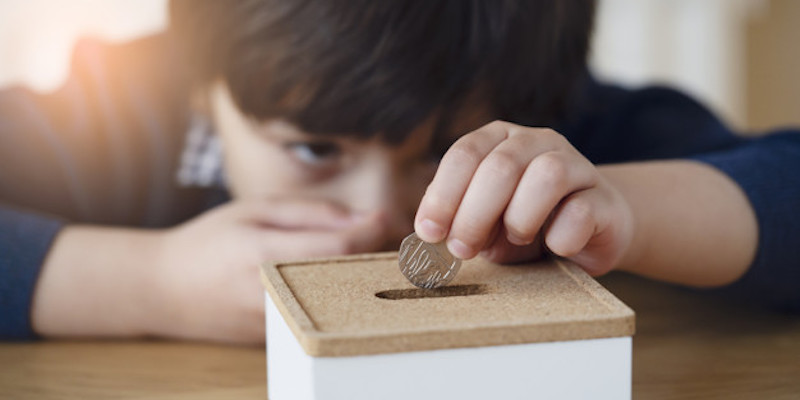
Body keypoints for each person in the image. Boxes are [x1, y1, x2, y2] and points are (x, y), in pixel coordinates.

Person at [1, 0, 798, 344]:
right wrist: (148, 282)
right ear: (203, 94)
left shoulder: (559, 126)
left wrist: (630, 206)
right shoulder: (116, 111)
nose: (382, 216)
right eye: (315, 150)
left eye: (441, 152)